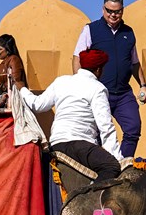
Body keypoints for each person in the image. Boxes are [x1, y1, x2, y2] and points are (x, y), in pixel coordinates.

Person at [16, 48, 123, 181]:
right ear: (98, 70)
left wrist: (22, 89)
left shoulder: (61, 81)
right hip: (80, 145)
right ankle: (89, 199)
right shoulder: (97, 88)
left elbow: (37, 105)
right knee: (111, 166)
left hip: (56, 143)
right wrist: (118, 159)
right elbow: (105, 126)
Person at [73, 0, 146, 158]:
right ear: (103, 9)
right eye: (109, 11)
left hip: (123, 94)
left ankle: (121, 166)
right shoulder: (91, 29)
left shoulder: (128, 33)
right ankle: (102, 168)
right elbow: (77, 57)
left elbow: (134, 62)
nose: (113, 15)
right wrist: (80, 85)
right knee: (97, 134)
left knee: (133, 129)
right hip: (99, 92)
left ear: (122, 11)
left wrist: (143, 85)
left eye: (117, 11)